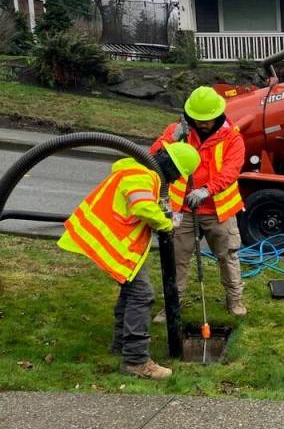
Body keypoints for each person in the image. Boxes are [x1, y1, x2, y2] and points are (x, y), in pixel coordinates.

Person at [58, 142, 200, 380]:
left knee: (131, 291)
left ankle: (120, 345)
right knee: (142, 295)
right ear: (170, 166)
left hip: (115, 242)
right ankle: (136, 361)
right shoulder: (140, 174)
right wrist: (167, 223)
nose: (174, 182)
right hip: (110, 241)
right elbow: (142, 207)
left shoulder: (141, 171)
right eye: (176, 176)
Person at [151, 86, 248, 317]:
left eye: (208, 120)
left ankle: (234, 300)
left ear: (218, 116)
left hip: (218, 211)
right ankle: (173, 303)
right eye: (198, 120)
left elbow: (230, 172)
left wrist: (206, 191)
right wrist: (170, 139)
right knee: (176, 258)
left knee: (228, 256)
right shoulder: (178, 133)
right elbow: (153, 159)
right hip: (182, 211)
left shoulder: (232, 138)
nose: (203, 124)